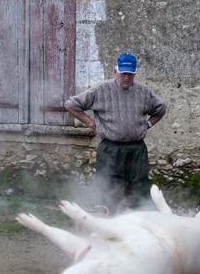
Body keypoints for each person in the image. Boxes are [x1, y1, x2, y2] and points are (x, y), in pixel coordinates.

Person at [65, 52, 167, 212]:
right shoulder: (101, 90)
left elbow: (161, 109)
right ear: (115, 71)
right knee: (108, 188)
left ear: (134, 73)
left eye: (130, 74)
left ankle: (138, 224)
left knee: (139, 188)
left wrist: (147, 124)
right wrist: (90, 123)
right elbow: (72, 104)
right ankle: (107, 223)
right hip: (110, 149)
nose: (126, 77)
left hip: (136, 149)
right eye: (123, 73)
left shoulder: (143, 92)